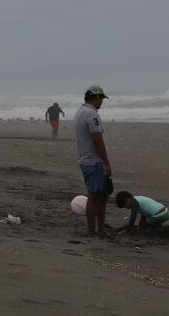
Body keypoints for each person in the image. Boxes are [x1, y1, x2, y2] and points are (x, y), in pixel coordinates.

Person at [74, 85, 112, 237]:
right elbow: (98, 141)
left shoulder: (80, 112)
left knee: (99, 196)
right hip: (93, 161)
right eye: (101, 98)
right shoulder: (91, 114)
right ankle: (95, 231)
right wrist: (107, 163)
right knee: (96, 197)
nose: (102, 101)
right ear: (95, 97)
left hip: (85, 159)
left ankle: (97, 230)